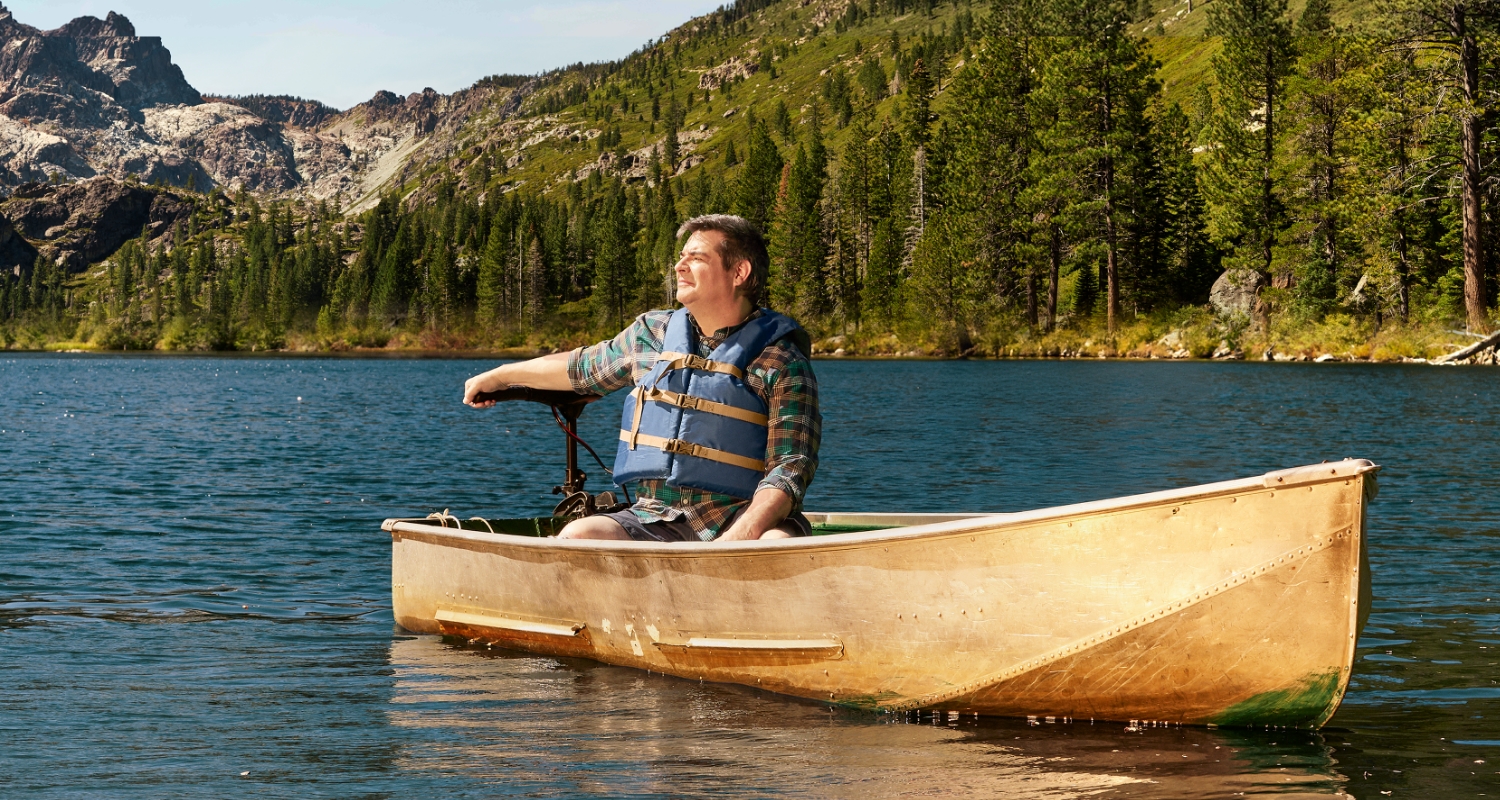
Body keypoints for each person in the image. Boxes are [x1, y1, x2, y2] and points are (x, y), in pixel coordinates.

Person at [462, 214, 820, 542]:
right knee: (580, 534)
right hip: (654, 517)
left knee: (773, 545)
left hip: (741, 518)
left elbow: (790, 467)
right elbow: (582, 369)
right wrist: (500, 375)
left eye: (696, 258)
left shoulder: (781, 360)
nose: (679, 266)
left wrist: (742, 534)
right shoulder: (652, 333)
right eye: (681, 256)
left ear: (739, 273)